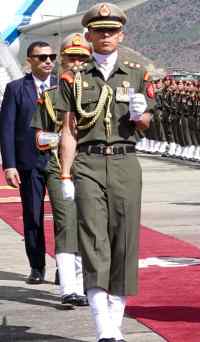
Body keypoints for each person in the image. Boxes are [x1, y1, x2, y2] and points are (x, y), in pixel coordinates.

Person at [55, 3, 153, 341]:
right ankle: (103, 327)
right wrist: (65, 174)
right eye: (100, 31)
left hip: (126, 161)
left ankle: (116, 320)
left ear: (121, 35)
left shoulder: (137, 72)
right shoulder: (74, 78)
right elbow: (69, 130)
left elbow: (146, 123)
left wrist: (141, 115)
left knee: (124, 240)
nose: (106, 36)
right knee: (93, 240)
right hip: (89, 162)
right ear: (89, 36)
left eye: (112, 31)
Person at [30, 33, 91, 306]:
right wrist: (61, 140)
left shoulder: (99, 91)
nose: (76, 63)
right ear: (62, 60)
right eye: (71, 57)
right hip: (58, 167)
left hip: (93, 167)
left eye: (82, 57)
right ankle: (69, 286)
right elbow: (40, 137)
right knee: (66, 224)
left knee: (91, 225)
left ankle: (89, 283)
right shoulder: (50, 97)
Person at [0, 41, 56, 284]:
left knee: (65, 218)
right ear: (30, 60)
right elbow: (7, 128)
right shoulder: (16, 89)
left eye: (52, 56)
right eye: (42, 57)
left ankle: (64, 268)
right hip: (29, 162)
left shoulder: (63, 86)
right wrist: (9, 165)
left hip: (59, 162)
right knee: (33, 215)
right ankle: (37, 266)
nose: (48, 61)